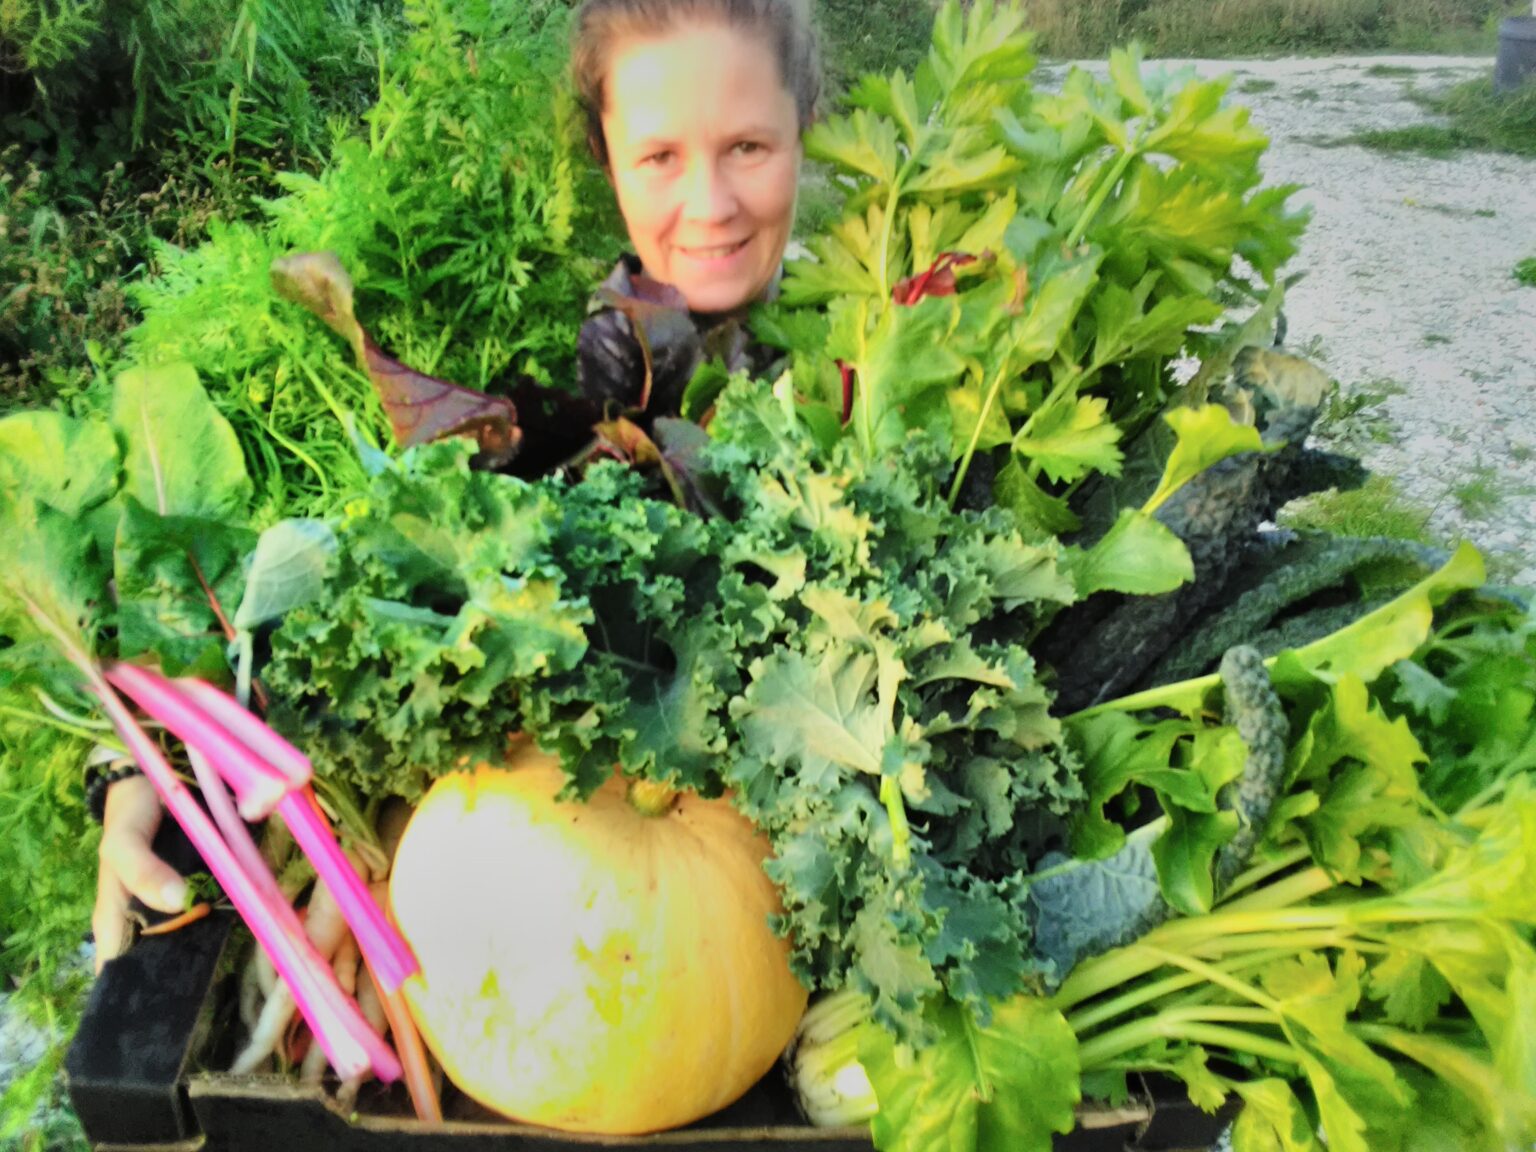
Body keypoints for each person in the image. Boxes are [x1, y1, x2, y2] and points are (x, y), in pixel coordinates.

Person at [88, 0, 822, 972]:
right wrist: (148, 756)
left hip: (748, 930)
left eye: (748, 146)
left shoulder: (882, 358)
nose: (711, 203)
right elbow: (306, 548)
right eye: (659, 158)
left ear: (806, 123)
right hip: (558, 923)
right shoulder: (533, 368)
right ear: (605, 160)